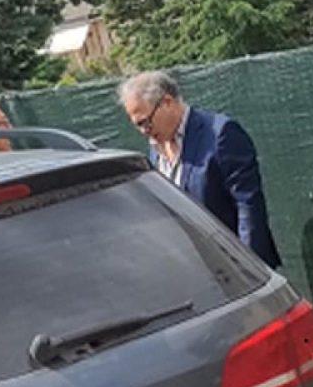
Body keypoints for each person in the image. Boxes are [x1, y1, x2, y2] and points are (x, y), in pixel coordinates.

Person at [118, 69, 280, 266]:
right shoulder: (157, 146)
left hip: (236, 267)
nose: (144, 132)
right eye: (138, 126)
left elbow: (248, 204)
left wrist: (251, 267)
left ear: (167, 102)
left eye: (146, 122)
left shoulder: (220, 134)